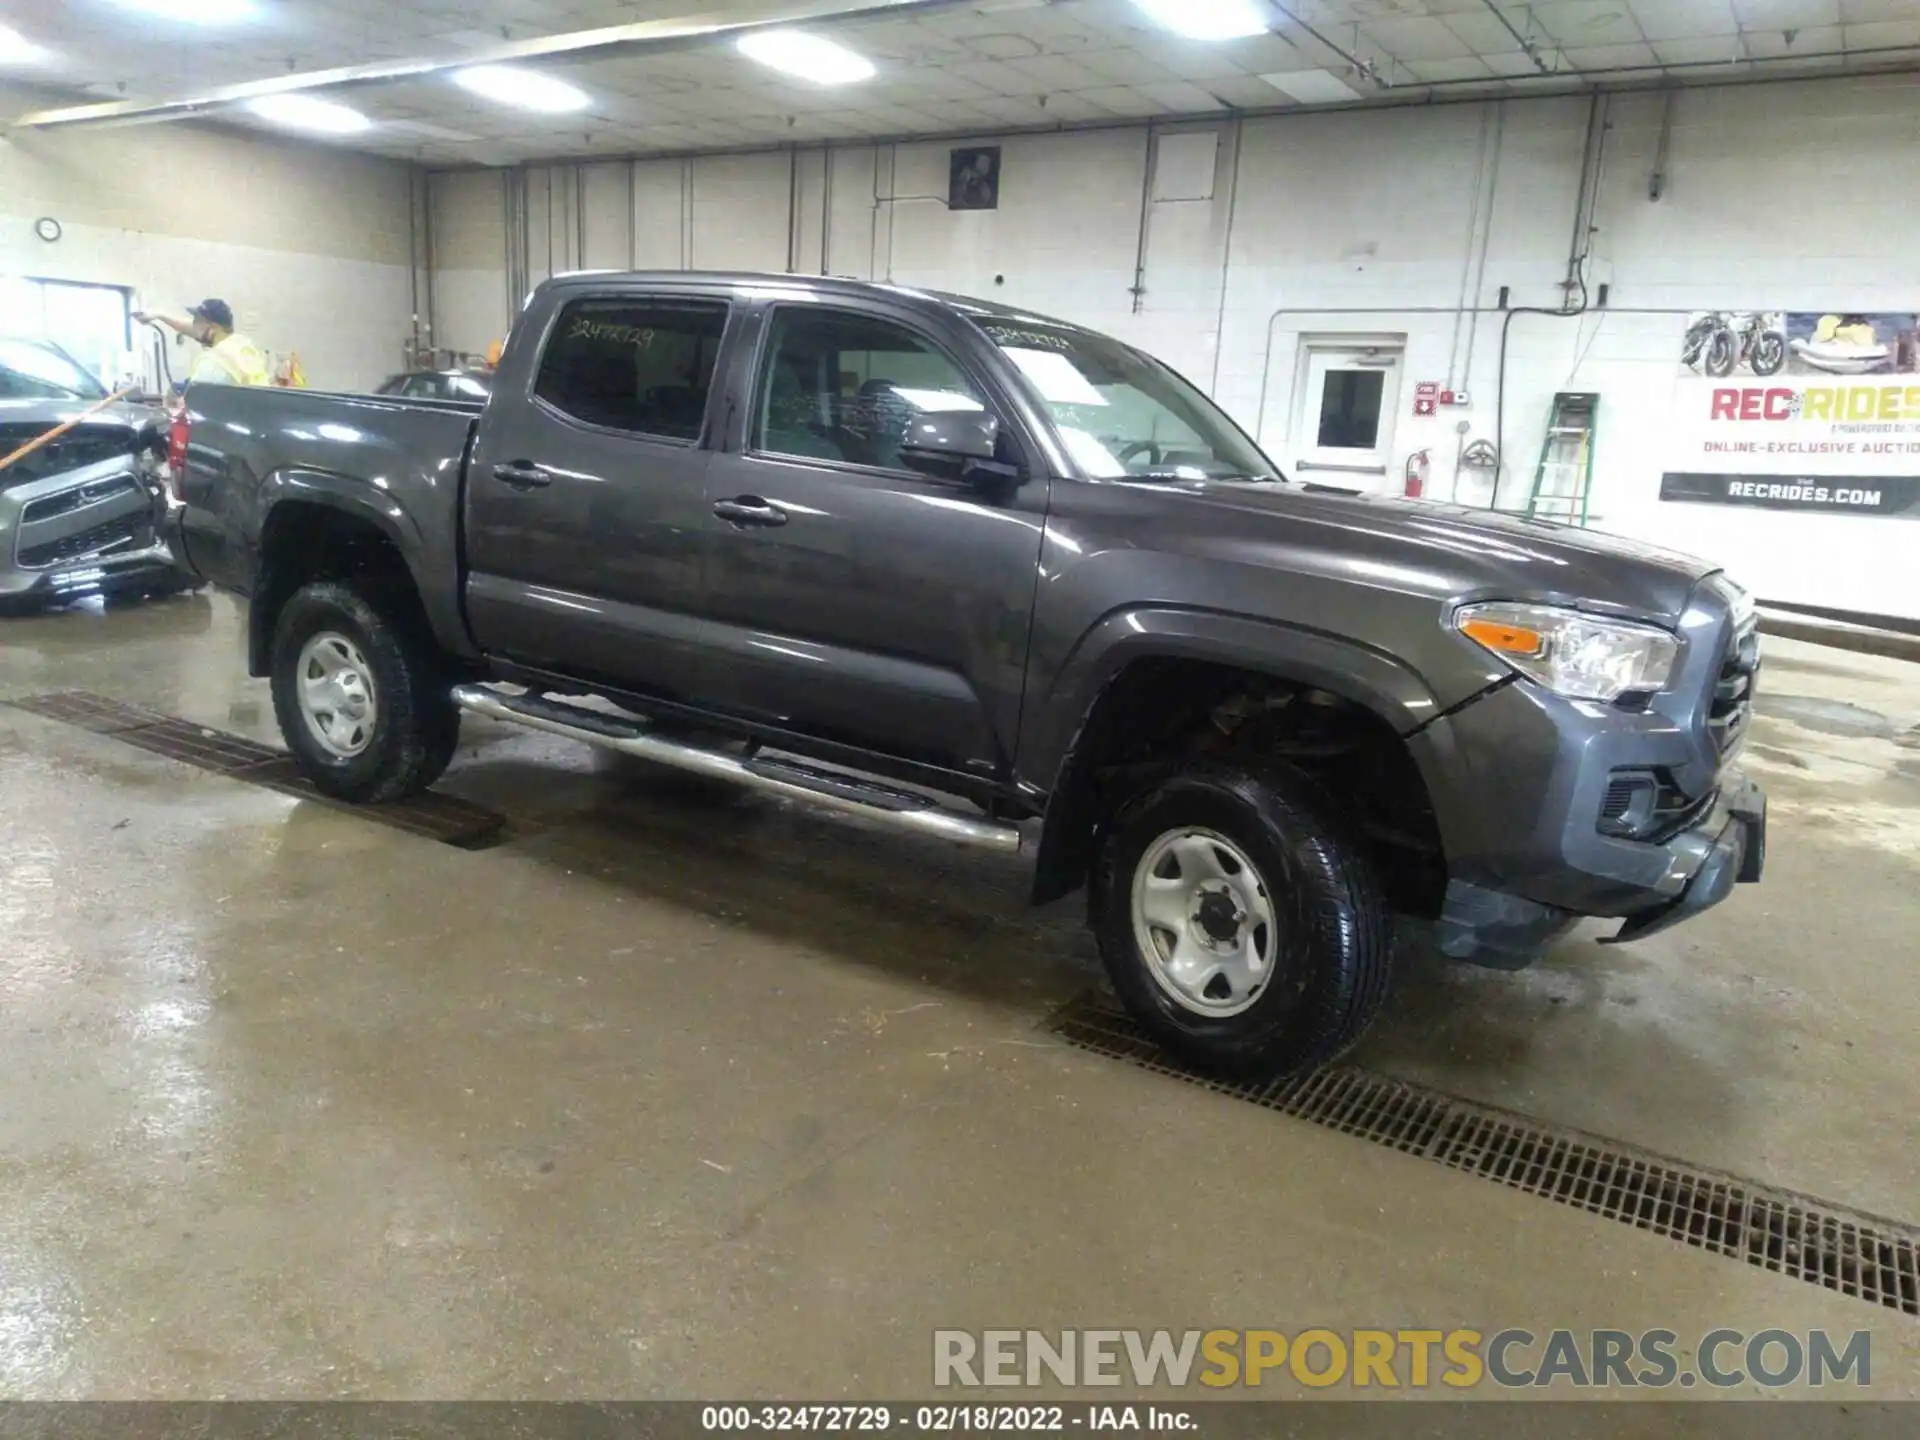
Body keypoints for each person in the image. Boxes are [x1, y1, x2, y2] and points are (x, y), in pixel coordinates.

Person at [135, 299, 271, 386]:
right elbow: (186, 326)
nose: (194, 325)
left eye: (198, 322)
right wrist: (158, 315)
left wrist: (179, 391)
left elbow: (194, 398)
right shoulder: (240, 343)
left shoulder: (216, 361)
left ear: (214, 327)